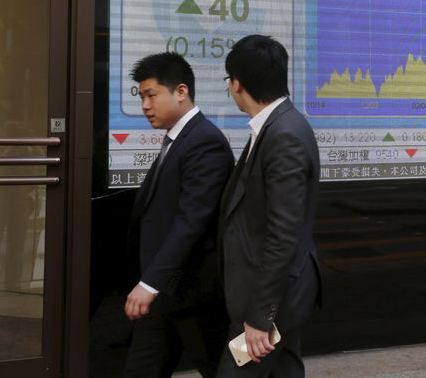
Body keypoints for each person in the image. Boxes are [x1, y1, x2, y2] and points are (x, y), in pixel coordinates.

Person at [217, 35, 321, 378]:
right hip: (278, 293)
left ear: (237, 84)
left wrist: (261, 316)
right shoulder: (276, 126)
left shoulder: (284, 134)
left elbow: (283, 232)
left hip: (274, 298)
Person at [124, 52, 234, 378]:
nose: (145, 105)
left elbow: (192, 220)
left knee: (221, 369)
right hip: (165, 292)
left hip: (190, 292)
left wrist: (150, 282)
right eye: (142, 96)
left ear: (181, 92)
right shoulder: (179, 138)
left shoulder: (204, 142)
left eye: (151, 95)